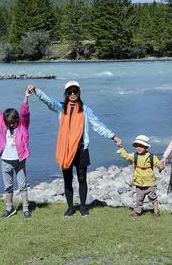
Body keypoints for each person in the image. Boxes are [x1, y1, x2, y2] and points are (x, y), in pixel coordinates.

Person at [28, 81, 122, 217]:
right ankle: (70, 207)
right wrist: (37, 90)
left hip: (81, 148)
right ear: (65, 94)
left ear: (79, 93)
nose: (73, 94)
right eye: (69, 92)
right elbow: (48, 101)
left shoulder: (85, 110)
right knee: (67, 179)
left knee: (82, 178)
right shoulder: (60, 108)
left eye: (75, 91)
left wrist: (114, 137)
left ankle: (83, 207)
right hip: (65, 149)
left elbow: (98, 125)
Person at [0, 86, 33, 219]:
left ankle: (25, 209)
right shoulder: (4, 125)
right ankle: (9, 209)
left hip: (20, 161)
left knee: (22, 186)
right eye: (8, 123)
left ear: (17, 120)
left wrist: (26, 97)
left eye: (13, 122)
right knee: (8, 186)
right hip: (6, 161)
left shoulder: (23, 125)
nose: (11, 125)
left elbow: (24, 112)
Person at [117, 135, 165, 217]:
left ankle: (156, 212)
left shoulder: (151, 156)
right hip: (139, 182)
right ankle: (137, 212)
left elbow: (158, 164)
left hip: (150, 182)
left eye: (141, 146)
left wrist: (161, 166)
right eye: (137, 146)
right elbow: (126, 156)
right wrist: (120, 148)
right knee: (139, 199)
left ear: (146, 147)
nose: (138, 148)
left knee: (153, 198)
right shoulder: (134, 156)